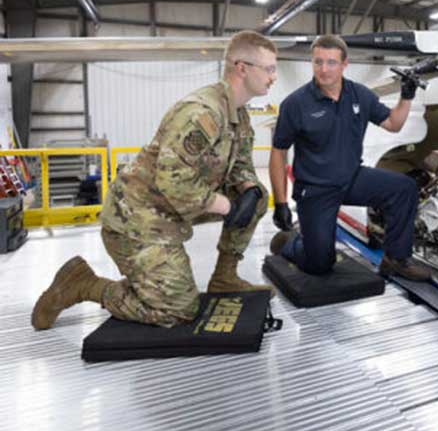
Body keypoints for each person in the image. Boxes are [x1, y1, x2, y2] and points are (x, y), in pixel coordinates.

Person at [32, 31, 278, 330]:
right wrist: (227, 205)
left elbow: (240, 163)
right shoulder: (202, 112)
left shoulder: (237, 113)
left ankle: (225, 277)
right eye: (269, 69)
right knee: (178, 310)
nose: (273, 77)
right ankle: (84, 284)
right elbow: (174, 181)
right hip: (138, 218)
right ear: (242, 68)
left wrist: (249, 188)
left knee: (257, 198)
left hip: (173, 206)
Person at [268, 34, 430, 281]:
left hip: (352, 178)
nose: (324, 69)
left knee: (404, 188)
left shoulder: (360, 95)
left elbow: (393, 124)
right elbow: (278, 153)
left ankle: (395, 259)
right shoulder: (296, 104)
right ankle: (290, 243)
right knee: (320, 264)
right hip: (315, 189)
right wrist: (280, 203)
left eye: (331, 62)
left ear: (344, 64)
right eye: (318, 62)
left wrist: (406, 97)